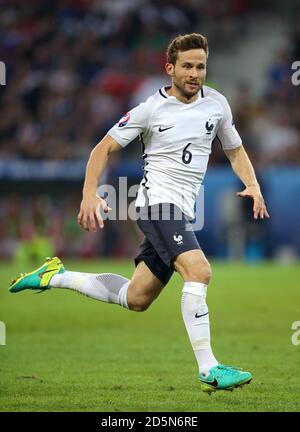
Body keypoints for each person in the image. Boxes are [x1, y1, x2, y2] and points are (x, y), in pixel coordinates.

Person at [9, 33, 269, 394]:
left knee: (137, 298)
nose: (195, 73)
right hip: (156, 204)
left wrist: (253, 184)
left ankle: (54, 275)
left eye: (201, 66)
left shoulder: (218, 104)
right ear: (170, 69)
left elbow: (235, 150)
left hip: (182, 208)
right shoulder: (151, 109)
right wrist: (89, 194)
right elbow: (102, 149)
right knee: (199, 270)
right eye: (187, 66)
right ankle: (209, 367)